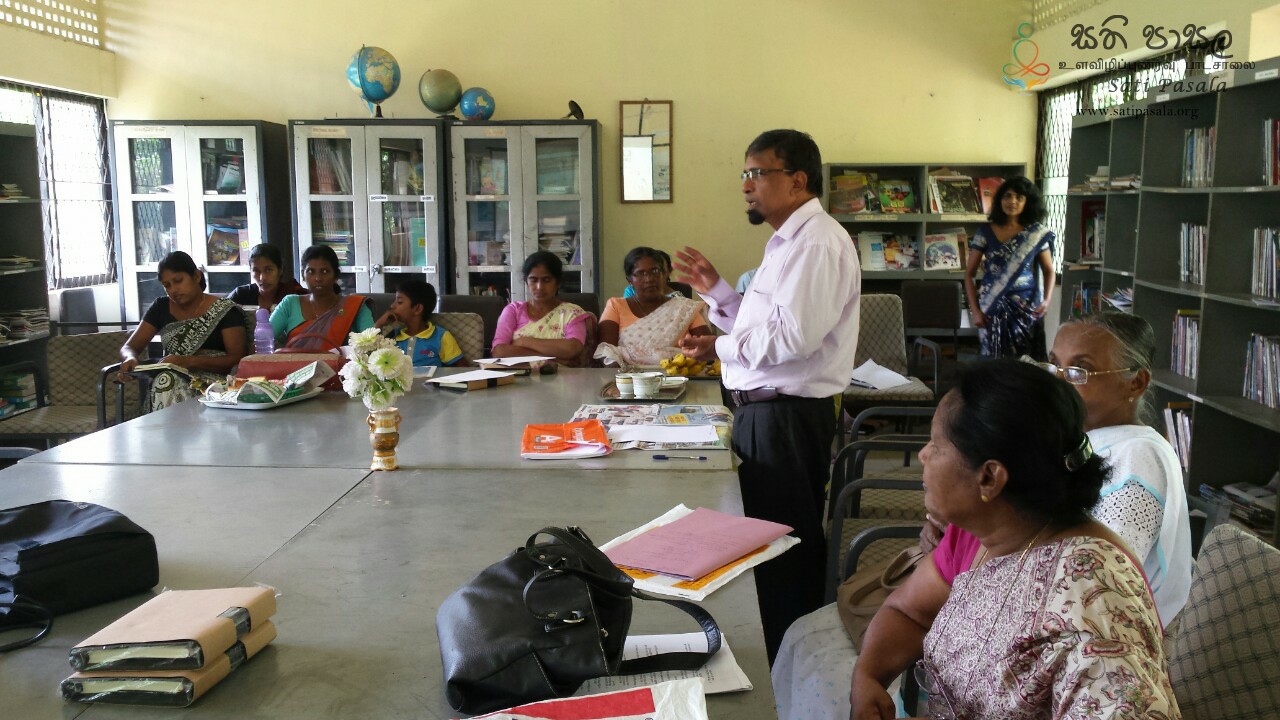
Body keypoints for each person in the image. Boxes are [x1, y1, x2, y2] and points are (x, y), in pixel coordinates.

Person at [845, 360, 1177, 720]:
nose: (923, 455)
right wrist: (867, 676)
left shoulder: (1090, 601)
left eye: (937, 446)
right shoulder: (982, 531)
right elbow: (908, 611)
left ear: (989, 478)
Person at [673, 129, 860, 661]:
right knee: (769, 541)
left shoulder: (816, 243)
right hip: (769, 413)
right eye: (745, 174)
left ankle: (795, 658)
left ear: (797, 180)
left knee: (785, 547)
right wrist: (717, 291)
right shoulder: (788, 243)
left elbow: (792, 340)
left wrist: (718, 349)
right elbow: (765, 329)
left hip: (787, 416)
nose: (746, 186)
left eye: (757, 173)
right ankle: (784, 647)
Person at [1046, 311, 1193, 624]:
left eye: (1078, 370)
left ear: (1135, 383)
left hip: (1110, 632)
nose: (1057, 382)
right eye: (1054, 366)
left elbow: (1099, 577)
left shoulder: (1138, 457)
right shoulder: (1079, 440)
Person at [118, 251, 248, 411]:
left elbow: (236, 359)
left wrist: (189, 361)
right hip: (169, 380)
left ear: (196, 276)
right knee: (167, 379)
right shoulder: (160, 307)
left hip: (215, 386)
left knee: (168, 380)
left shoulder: (225, 310)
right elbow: (129, 347)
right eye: (167, 285)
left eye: (178, 281)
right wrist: (130, 358)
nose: (173, 289)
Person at [964, 175, 1056, 359]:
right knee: (993, 360)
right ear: (1000, 200)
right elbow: (969, 275)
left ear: (1028, 202)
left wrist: (1046, 301)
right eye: (1007, 196)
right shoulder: (985, 232)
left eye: (1019, 197)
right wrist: (975, 311)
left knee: (1026, 360)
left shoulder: (1035, 234)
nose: (1012, 201)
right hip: (991, 307)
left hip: (1026, 308)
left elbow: (1049, 270)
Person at [595, 246, 710, 367]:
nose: (649, 279)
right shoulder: (615, 306)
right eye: (640, 273)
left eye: (655, 271)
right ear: (629, 280)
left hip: (677, 375)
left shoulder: (686, 309)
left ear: (664, 274)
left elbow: (708, 348)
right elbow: (606, 351)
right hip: (627, 376)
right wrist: (624, 375)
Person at [491, 251, 591, 366]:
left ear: (558, 282)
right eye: (533, 280)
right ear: (526, 281)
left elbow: (572, 349)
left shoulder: (572, 313)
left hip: (562, 376)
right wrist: (551, 359)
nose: (539, 287)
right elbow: (499, 352)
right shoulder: (513, 311)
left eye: (546, 280)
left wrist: (524, 341)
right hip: (520, 376)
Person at [269, 245, 374, 351]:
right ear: (303, 275)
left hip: (341, 362)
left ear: (336, 275)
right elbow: (263, 339)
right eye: (311, 272)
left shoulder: (355, 306)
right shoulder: (290, 304)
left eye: (324, 271)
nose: (318, 278)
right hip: (294, 362)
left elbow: (371, 345)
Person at [375, 279, 462, 368]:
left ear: (417, 309)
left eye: (399, 302)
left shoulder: (440, 336)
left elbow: (462, 367)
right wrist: (379, 324)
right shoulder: (393, 336)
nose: (392, 306)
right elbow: (371, 358)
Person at [226, 244, 305, 311]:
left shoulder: (293, 295)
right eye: (256, 271)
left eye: (268, 270)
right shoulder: (240, 296)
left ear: (280, 269)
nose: (262, 278)